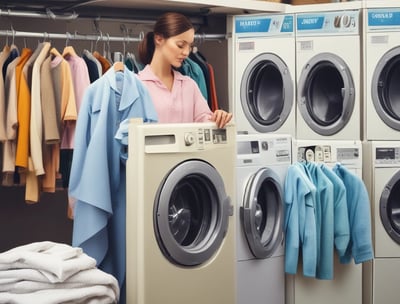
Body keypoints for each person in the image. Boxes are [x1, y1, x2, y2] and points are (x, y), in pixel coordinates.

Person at [137, 12, 233, 128]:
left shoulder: (189, 85)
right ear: (159, 39)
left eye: (190, 46)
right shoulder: (137, 85)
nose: (186, 53)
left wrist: (218, 118)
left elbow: (206, 124)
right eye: (181, 45)